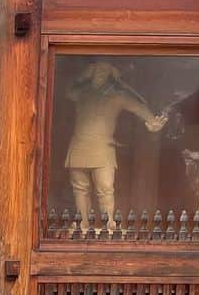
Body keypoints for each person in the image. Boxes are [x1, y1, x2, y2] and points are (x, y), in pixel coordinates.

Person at [64, 60, 168, 228]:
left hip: (103, 147)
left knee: (105, 189)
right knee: (80, 188)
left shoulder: (118, 96)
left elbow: (138, 106)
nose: (100, 72)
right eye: (97, 69)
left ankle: (109, 227)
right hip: (79, 145)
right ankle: (83, 226)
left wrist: (152, 121)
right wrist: (83, 75)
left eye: (106, 70)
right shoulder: (82, 93)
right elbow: (67, 92)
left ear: (112, 75)